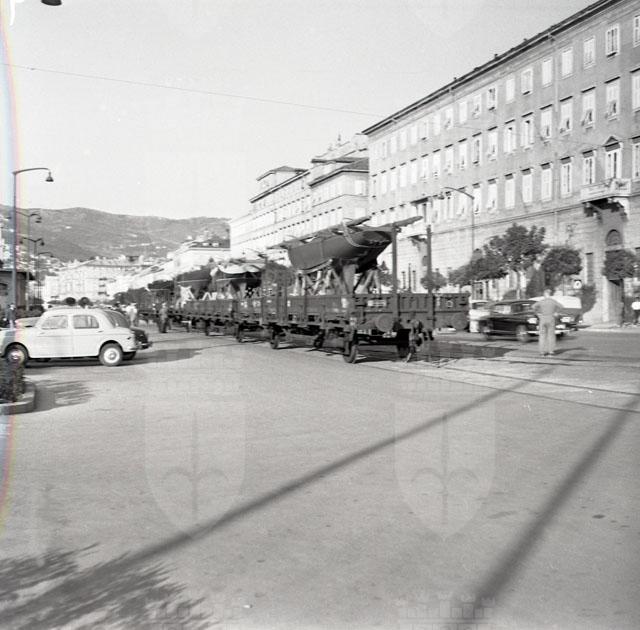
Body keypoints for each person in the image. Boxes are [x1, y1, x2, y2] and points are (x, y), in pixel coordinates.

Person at [532, 289, 562, 356]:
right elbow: (561, 306)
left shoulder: (541, 301)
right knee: (551, 336)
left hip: (542, 319)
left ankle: (542, 352)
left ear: (545, 294)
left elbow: (533, 306)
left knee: (542, 336)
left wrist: (537, 313)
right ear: (549, 294)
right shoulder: (553, 301)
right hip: (551, 318)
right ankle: (551, 352)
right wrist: (556, 312)